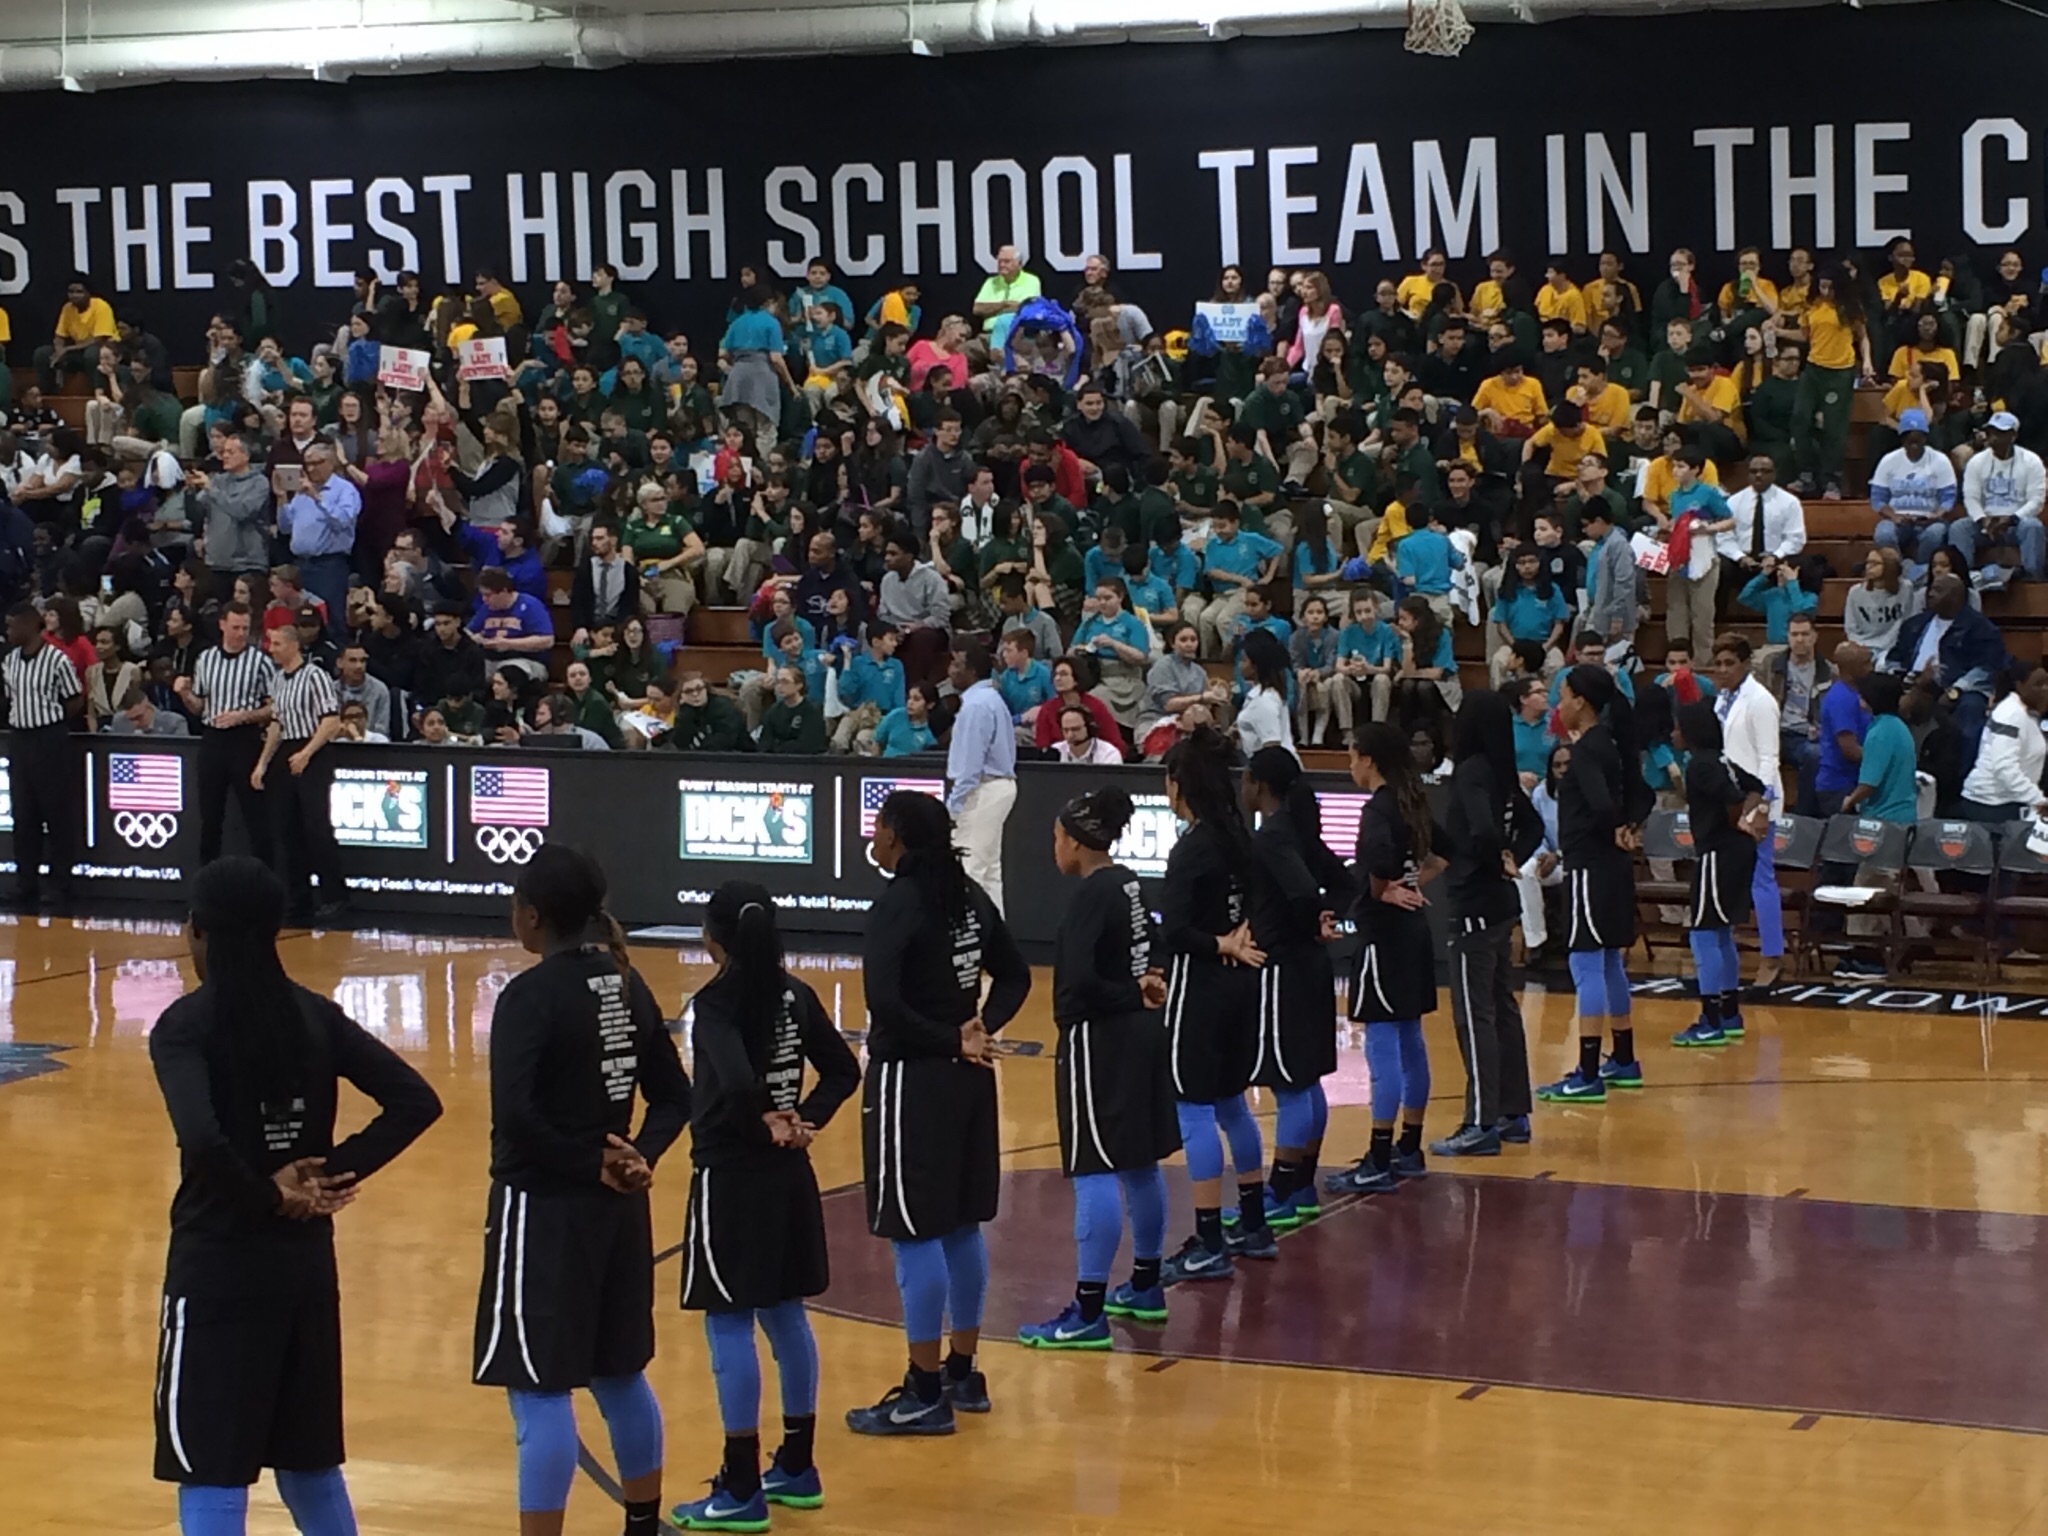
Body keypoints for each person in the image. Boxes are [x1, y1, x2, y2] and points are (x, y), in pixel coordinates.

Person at [149, 857, 439, 1536]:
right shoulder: (314, 1015)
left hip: (218, 1271)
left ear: (199, 931)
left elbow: (202, 1138)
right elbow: (414, 1101)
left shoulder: (186, 1026)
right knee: (310, 1469)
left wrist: (268, 1196)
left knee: (211, 1471)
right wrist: (330, 1175)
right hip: (304, 1274)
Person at [473, 844, 692, 1536]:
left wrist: (584, 1161)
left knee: (537, 1388)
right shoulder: (627, 984)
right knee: (619, 1374)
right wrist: (638, 1157)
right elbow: (674, 1097)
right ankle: (643, 1525)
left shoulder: (529, 997)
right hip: (619, 1212)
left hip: (543, 1211)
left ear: (532, 916)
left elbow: (515, 1117)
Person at [670, 883, 859, 1530]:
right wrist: (803, 1119)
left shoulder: (716, 1004)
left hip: (731, 1179)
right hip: (788, 1177)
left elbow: (733, 1078)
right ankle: (797, 1465)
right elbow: (844, 1070)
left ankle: (742, 1484)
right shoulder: (795, 995)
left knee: (727, 1322)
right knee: (785, 1315)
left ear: (712, 938)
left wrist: (761, 1120)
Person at [847, 790, 1029, 1435]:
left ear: (896, 836)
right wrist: (980, 1028)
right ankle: (962, 1371)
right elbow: (1016, 976)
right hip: (969, 1083)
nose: (873, 837)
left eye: (878, 827)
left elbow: (884, 1003)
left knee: (915, 1233)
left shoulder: (898, 903)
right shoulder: (968, 896)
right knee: (960, 1226)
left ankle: (923, 1391)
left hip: (914, 1081)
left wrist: (953, 1038)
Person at [1015, 788, 1179, 1349]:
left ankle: (1087, 1311)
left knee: (1094, 1167)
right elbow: (1157, 945)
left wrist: (1130, 991)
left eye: (1057, 836)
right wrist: (1148, 983)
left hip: (1098, 1038)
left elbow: (1081, 981)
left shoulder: (1090, 894)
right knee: (1139, 1163)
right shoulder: (1129, 882)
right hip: (1140, 1034)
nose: (1054, 846)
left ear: (1078, 841)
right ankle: (1147, 1285)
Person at [1155, 727, 1270, 1282]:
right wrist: (1237, 937)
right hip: (1243, 985)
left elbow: (1175, 930)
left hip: (1200, 987)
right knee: (1233, 1105)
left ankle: (1207, 1240)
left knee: (1194, 1108)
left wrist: (1219, 942)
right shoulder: (1240, 838)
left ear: (1181, 785)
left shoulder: (1193, 847)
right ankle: (1254, 1224)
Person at [1324, 722, 1444, 1193]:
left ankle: (1377, 1157)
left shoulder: (1378, 808)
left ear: (1369, 760)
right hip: (1414, 936)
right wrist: (1411, 883)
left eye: (1353, 756)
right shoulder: (1412, 800)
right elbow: (1446, 853)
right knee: (1410, 1039)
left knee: (1382, 1046)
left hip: (1384, 938)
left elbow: (1376, 860)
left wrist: (1382, 889)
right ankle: (1409, 1147)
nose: (1350, 765)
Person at [1240, 746, 1352, 1224]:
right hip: (1312, 967)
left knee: (1288, 1085)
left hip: (1282, 967)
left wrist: (1313, 919)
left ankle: (1283, 1190)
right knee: (1305, 1081)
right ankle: (1302, 1185)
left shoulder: (1273, 836)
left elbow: (1305, 892)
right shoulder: (1302, 831)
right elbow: (1344, 883)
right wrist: (1329, 917)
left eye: (1247, 778)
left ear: (1260, 785)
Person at [1431, 692, 1546, 1157]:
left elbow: (1480, 829)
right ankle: (1512, 1113)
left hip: (1474, 905)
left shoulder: (1471, 771)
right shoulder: (1502, 771)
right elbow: (1534, 827)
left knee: (1474, 1014)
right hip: (1500, 905)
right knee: (1502, 1008)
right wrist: (1512, 856)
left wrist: (1496, 854)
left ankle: (1480, 1121)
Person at [1536, 665, 1643, 1103]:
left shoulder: (1585, 751)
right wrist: (1628, 825)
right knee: (1610, 961)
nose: (1558, 704)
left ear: (1580, 701)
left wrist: (1616, 825)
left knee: (1585, 965)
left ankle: (1587, 1071)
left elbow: (1600, 804)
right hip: (1612, 868)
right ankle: (1624, 1058)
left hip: (1588, 869)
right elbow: (1641, 793)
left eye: (1563, 695)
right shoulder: (1612, 744)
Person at [1669, 703, 1768, 1048]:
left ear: (1691, 732)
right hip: (1736, 852)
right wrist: (1751, 818)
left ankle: (1710, 1020)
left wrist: (1738, 819)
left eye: (1678, 728)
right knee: (1722, 931)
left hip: (1718, 852)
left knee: (1703, 933)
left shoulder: (1700, 764)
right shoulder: (1723, 760)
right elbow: (1757, 787)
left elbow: (1735, 799)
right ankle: (1729, 1013)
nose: (1674, 734)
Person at [251, 621, 348, 924]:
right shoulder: (278, 680)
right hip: (287, 748)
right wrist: (262, 763)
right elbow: (276, 724)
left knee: (316, 827)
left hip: (314, 750)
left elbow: (331, 721)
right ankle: (298, 897)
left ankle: (335, 896)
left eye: (277, 644)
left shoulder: (315, 675)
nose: (272, 650)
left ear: (293, 645)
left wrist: (307, 753)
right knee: (287, 829)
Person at [175, 602, 278, 868]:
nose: (241, 633)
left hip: (245, 738)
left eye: (245, 628)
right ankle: (206, 875)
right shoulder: (206, 659)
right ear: (222, 625)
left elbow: (275, 708)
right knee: (209, 814)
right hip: (213, 738)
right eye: (235, 627)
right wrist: (185, 693)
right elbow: (199, 707)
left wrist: (243, 716)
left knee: (255, 814)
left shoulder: (260, 661)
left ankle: (264, 876)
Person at [1710, 632, 1787, 987]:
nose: (1723, 670)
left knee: (1761, 879)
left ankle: (1772, 955)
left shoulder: (1761, 701)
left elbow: (1770, 758)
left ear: (1745, 664)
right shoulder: (1722, 699)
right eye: (1718, 664)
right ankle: (1726, 951)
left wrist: (1762, 808)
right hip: (1731, 799)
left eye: (1730, 663)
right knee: (1729, 879)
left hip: (1758, 802)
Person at [1, 600, 84, 911]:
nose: (7, 631)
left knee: (57, 815)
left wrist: (52, 721)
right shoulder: (9, 661)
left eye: (11, 625)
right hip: (20, 739)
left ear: (27, 624)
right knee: (24, 816)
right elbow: (11, 699)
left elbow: (74, 699)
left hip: (50, 739)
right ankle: (26, 884)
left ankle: (60, 885)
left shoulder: (57, 659)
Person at [943, 640, 1017, 916]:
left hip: (982, 789)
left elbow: (970, 765)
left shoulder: (976, 706)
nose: (950, 670)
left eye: (957, 665)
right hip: (998, 787)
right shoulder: (991, 699)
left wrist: (953, 807)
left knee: (969, 867)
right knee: (989, 871)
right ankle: (995, 935)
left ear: (972, 671)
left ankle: (969, 933)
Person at [277, 442, 360, 644]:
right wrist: (281, 498)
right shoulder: (301, 491)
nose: (311, 468)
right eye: (308, 464)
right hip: (300, 564)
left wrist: (317, 497)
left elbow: (343, 520)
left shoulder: (345, 490)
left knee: (331, 619)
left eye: (317, 463)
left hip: (329, 565)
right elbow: (285, 527)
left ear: (330, 462)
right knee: (301, 619)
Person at [1959, 669, 2048, 822]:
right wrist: (2038, 800)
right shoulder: (2010, 715)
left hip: (2011, 801)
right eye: (2038, 684)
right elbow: (2005, 767)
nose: (2045, 688)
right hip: (1991, 806)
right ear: (2020, 685)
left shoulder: (2026, 712)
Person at [1234, 626, 1295, 760]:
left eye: (1244, 660)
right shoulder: (1258, 695)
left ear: (1256, 666)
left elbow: (1272, 748)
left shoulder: (1265, 701)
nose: (1240, 665)